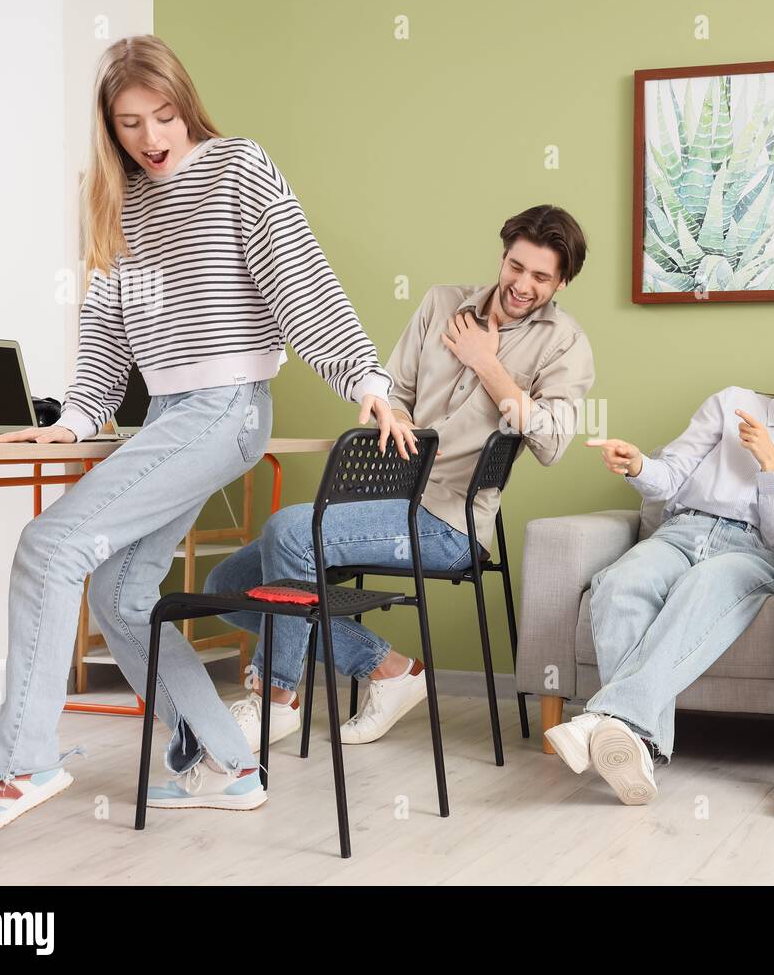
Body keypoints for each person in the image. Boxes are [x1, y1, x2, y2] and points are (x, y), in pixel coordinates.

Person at [0, 35, 411, 857]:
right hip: (169, 416)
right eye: (130, 124)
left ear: (187, 104)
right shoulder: (116, 199)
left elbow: (300, 278)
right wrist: (75, 419)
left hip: (224, 409)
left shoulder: (238, 167)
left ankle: (22, 762)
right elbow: (106, 337)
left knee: (49, 548)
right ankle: (230, 764)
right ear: (109, 129)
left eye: (165, 115)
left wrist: (364, 377)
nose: (153, 137)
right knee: (119, 590)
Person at [206, 206, 595, 749]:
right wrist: (399, 420)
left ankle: (275, 700)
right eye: (515, 266)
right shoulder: (441, 303)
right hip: (385, 498)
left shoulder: (565, 344)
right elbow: (394, 394)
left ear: (562, 281)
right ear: (503, 256)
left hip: (449, 524)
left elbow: (552, 443)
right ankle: (389, 669)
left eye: (541, 277)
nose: (522, 284)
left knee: (291, 533)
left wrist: (487, 362)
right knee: (224, 588)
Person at [546, 333, 774, 804]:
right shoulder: (732, 402)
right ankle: (639, 744)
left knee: (700, 586)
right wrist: (639, 465)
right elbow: (671, 477)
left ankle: (602, 720)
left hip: (752, 552)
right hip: (682, 530)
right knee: (618, 584)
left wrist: (770, 465)